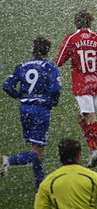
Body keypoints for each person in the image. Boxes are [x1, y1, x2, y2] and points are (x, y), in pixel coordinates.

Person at [56, 9, 97, 174]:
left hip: (81, 84)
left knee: (90, 118)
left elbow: (59, 61)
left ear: (76, 23)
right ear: (90, 22)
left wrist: (74, 57)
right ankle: (93, 151)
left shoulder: (71, 39)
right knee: (82, 117)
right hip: (95, 82)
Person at [1, 37, 62, 189]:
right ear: (47, 50)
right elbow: (56, 88)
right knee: (38, 151)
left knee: (37, 148)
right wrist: (53, 101)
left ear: (33, 49)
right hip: (40, 110)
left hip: (25, 109)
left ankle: (39, 185)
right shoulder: (50, 66)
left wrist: (20, 97)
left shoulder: (22, 66)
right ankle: (8, 161)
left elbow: (7, 86)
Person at [34, 138, 97, 209]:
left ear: (61, 157)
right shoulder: (93, 178)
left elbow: (40, 207)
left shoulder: (49, 181)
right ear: (79, 155)